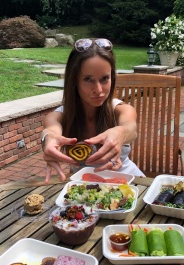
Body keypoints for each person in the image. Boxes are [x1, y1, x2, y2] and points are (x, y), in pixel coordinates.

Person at [41, 38, 145, 181]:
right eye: (88, 79)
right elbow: (51, 129)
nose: (98, 90)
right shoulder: (61, 115)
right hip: (84, 187)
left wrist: (120, 132)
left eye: (104, 79)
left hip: (129, 180)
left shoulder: (121, 109)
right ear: (74, 80)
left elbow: (131, 128)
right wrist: (48, 138)